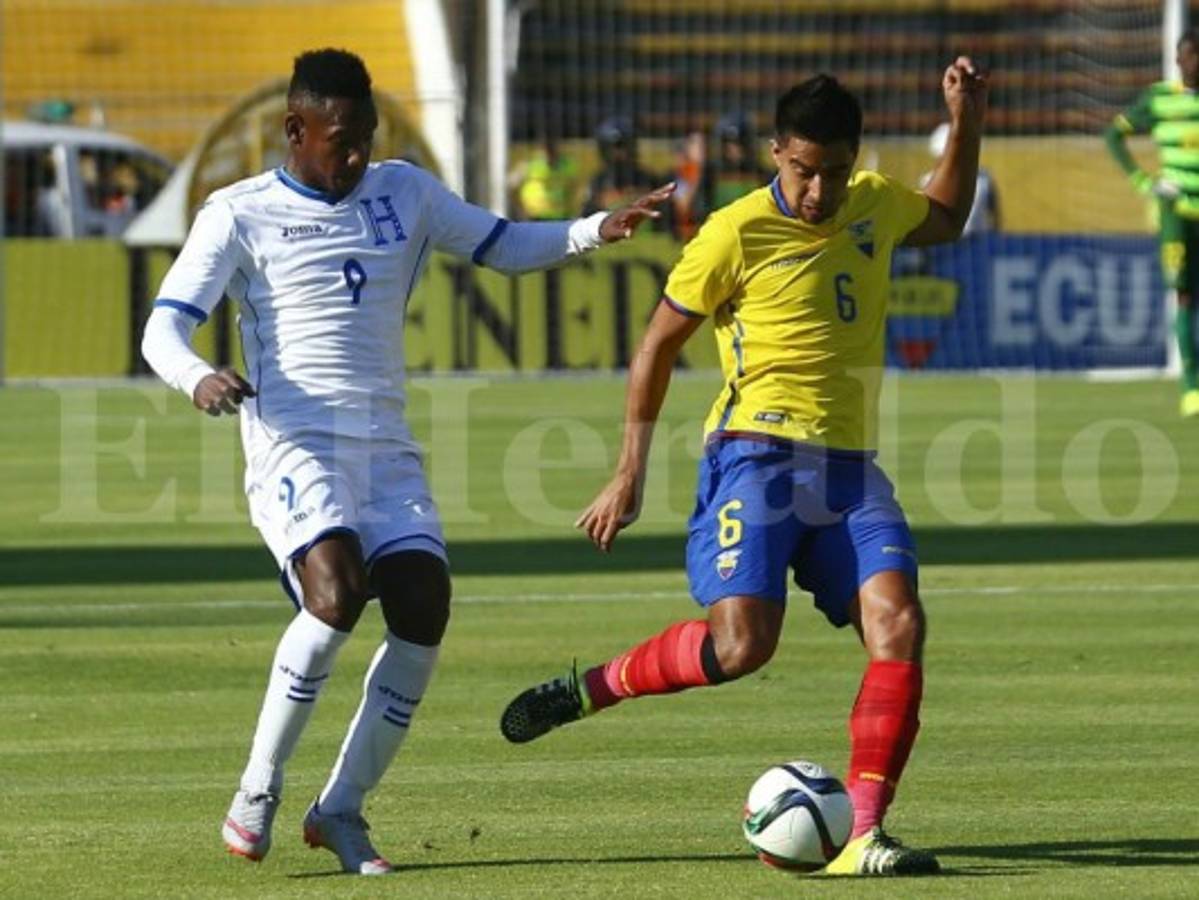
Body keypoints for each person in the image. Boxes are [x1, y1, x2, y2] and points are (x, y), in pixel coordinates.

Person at [141, 48, 671, 876]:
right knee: (337, 593)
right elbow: (162, 327)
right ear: (295, 129)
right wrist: (199, 375)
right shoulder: (237, 213)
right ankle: (257, 787)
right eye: (340, 139)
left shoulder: (404, 193)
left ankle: (341, 810)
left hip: (385, 449)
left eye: (365, 138)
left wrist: (591, 230)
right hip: (295, 441)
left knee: (424, 606)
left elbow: (499, 243)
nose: (355, 156)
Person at [500, 57, 988, 877]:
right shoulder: (730, 232)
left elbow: (943, 217)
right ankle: (592, 686)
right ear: (774, 153)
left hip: (847, 468)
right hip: (752, 458)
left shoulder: (872, 204)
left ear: (853, 162)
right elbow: (656, 345)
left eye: (833, 173)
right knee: (740, 647)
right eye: (801, 171)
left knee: (899, 622)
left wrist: (965, 117)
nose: (816, 192)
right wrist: (628, 471)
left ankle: (862, 835)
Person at [1106, 28, 1199, 417]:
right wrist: (1144, 183)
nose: (1193, 63)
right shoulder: (1159, 99)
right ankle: (1191, 386)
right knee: (1184, 296)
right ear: (1178, 60)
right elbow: (1113, 135)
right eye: (1189, 55)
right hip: (1177, 214)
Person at [583, 115, 666, 226]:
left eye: (623, 146)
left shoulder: (649, 180)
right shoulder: (597, 182)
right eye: (613, 148)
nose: (618, 154)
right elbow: (586, 221)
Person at [922, 122, 999, 234]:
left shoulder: (984, 179)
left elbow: (994, 215)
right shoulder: (927, 181)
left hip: (978, 243)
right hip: (943, 245)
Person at [698, 111, 773, 218]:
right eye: (730, 143)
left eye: (741, 142)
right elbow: (701, 207)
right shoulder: (711, 171)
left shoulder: (761, 173)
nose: (736, 149)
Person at [512, 134, 580, 221]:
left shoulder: (567, 165)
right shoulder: (528, 165)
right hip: (534, 217)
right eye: (546, 151)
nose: (548, 155)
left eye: (551, 150)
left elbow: (574, 189)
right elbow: (512, 188)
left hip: (560, 216)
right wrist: (520, 210)